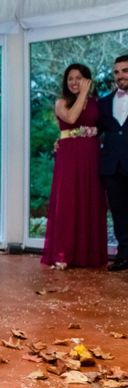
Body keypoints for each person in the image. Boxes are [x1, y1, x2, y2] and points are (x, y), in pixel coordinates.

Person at [41, 64, 107, 269]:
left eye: (79, 78)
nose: (74, 82)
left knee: (90, 200)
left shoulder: (98, 104)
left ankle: (88, 254)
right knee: (67, 201)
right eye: (70, 78)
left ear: (87, 79)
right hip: (69, 156)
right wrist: (84, 94)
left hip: (91, 155)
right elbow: (71, 118)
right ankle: (63, 252)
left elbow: (106, 128)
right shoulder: (60, 102)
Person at [99, 54, 128, 272]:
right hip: (111, 167)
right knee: (118, 213)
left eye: (125, 70)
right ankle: (124, 255)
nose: (120, 75)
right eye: (117, 72)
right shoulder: (104, 102)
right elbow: (94, 131)